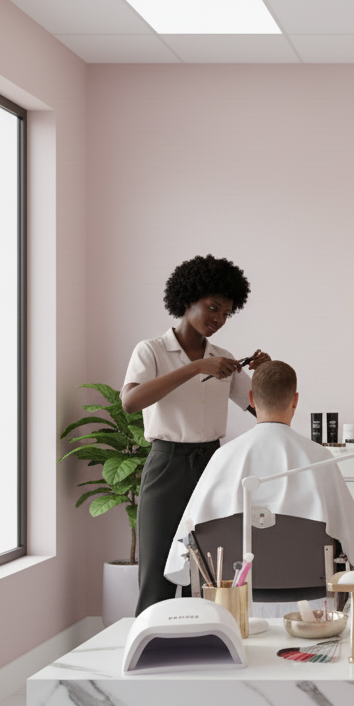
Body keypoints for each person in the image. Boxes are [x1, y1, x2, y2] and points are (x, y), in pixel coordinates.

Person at [164, 361, 354, 615]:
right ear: (295, 400)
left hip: (233, 600)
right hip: (310, 604)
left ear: (251, 399)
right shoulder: (319, 457)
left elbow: (186, 544)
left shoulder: (223, 457)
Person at [122, 255, 269, 615]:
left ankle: (207, 639)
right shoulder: (151, 351)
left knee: (208, 572)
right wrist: (196, 367)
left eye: (226, 313)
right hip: (166, 466)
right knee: (157, 570)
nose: (218, 319)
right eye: (213, 308)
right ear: (187, 299)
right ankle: (149, 641)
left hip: (212, 467)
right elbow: (130, 401)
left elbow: (262, 410)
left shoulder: (223, 358)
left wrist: (266, 373)